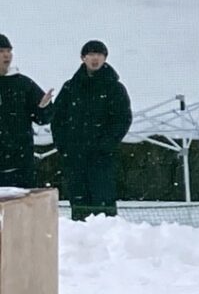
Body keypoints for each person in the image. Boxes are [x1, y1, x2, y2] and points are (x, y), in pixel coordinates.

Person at [49, 40, 133, 220]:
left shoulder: (114, 88)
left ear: (105, 58)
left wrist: (106, 144)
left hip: (101, 157)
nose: (95, 58)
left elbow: (122, 119)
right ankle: (80, 239)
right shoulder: (70, 87)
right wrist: (63, 146)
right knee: (78, 202)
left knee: (103, 201)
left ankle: (106, 240)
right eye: (91, 55)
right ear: (83, 58)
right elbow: (57, 119)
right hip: (75, 156)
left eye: (99, 55)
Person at [0, 34, 55, 188]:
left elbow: (42, 118)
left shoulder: (23, 83)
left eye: (9, 51)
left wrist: (44, 107)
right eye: (1, 51)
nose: (6, 55)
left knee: (20, 209)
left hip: (20, 163)